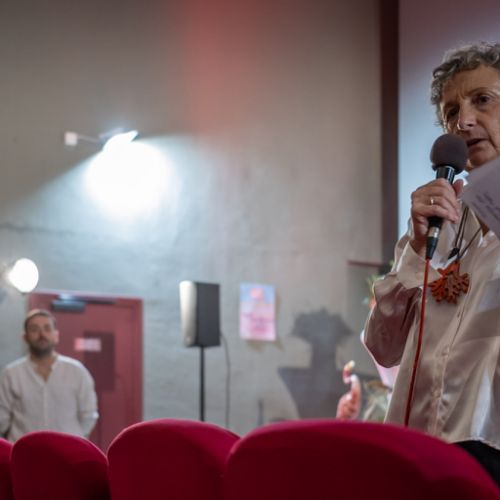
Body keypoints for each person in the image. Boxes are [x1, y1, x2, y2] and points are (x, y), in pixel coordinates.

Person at [363, 41, 500, 486]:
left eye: (482, 100)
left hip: (490, 441)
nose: (464, 121)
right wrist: (418, 248)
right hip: (419, 447)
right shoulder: (439, 219)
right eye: (451, 112)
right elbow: (383, 346)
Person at [0, 309, 98, 441]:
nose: (42, 334)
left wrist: (75, 441)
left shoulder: (77, 371)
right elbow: (2, 418)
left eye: (47, 328)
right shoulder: (11, 374)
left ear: (56, 335)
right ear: (25, 337)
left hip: (67, 450)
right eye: (34, 329)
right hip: (24, 450)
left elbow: (88, 415)